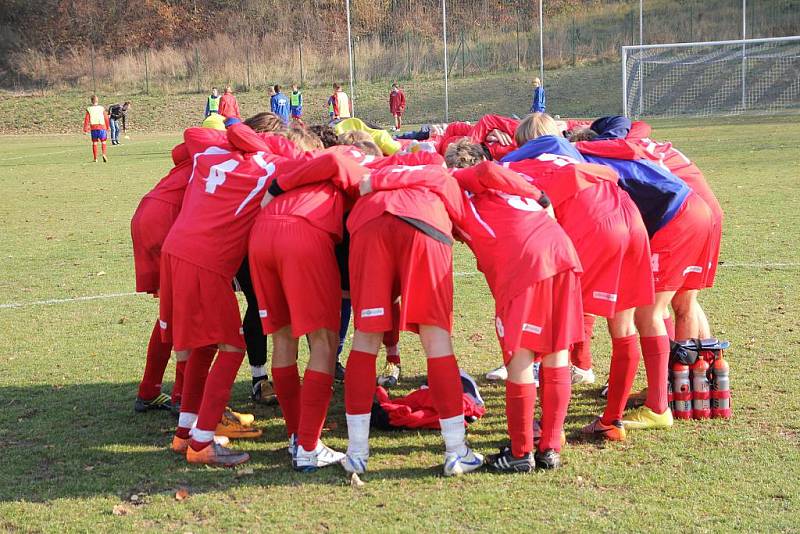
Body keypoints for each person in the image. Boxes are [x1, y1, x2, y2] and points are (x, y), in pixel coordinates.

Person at [502, 113, 663, 441]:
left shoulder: (522, 164)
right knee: (623, 325)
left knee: (553, 332)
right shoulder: (574, 154)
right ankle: (612, 421)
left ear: (523, 144)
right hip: (630, 218)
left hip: (594, 225)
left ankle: (550, 430)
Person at [161, 122, 304, 466]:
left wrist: (240, 135)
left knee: (206, 344)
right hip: (205, 261)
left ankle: (185, 434)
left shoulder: (211, 151)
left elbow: (192, 133)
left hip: (176, 248)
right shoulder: (276, 166)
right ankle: (202, 441)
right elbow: (309, 162)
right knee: (232, 347)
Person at [341, 151, 483, 477]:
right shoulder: (438, 172)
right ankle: (455, 450)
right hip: (425, 225)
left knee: (365, 339)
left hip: (369, 224)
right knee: (436, 340)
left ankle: (357, 452)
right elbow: (463, 216)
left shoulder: (376, 168)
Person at [445, 141, 584, 471]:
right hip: (561, 252)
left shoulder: (463, 180)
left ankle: (521, 452)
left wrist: (541, 197)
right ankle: (550, 446)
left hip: (524, 263)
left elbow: (487, 172)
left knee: (520, 356)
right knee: (556, 351)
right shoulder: (510, 179)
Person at [251, 144, 370, 471]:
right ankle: (307, 447)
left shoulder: (295, 164)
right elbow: (342, 166)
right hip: (302, 234)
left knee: (284, 339)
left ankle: (297, 437)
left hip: (261, 235)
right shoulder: (347, 161)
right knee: (325, 342)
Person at [82, 95, 109, 163]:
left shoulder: (89, 109)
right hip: (102, 127)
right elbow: (106, 118)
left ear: (91, 101)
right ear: (97, 100)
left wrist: (85, 129)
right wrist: (107, 127)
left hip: (93, 128)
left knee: (94, 143)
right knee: (103, 142)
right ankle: (104, 154)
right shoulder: (101, 108)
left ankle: (95, 158)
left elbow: (86, 119)